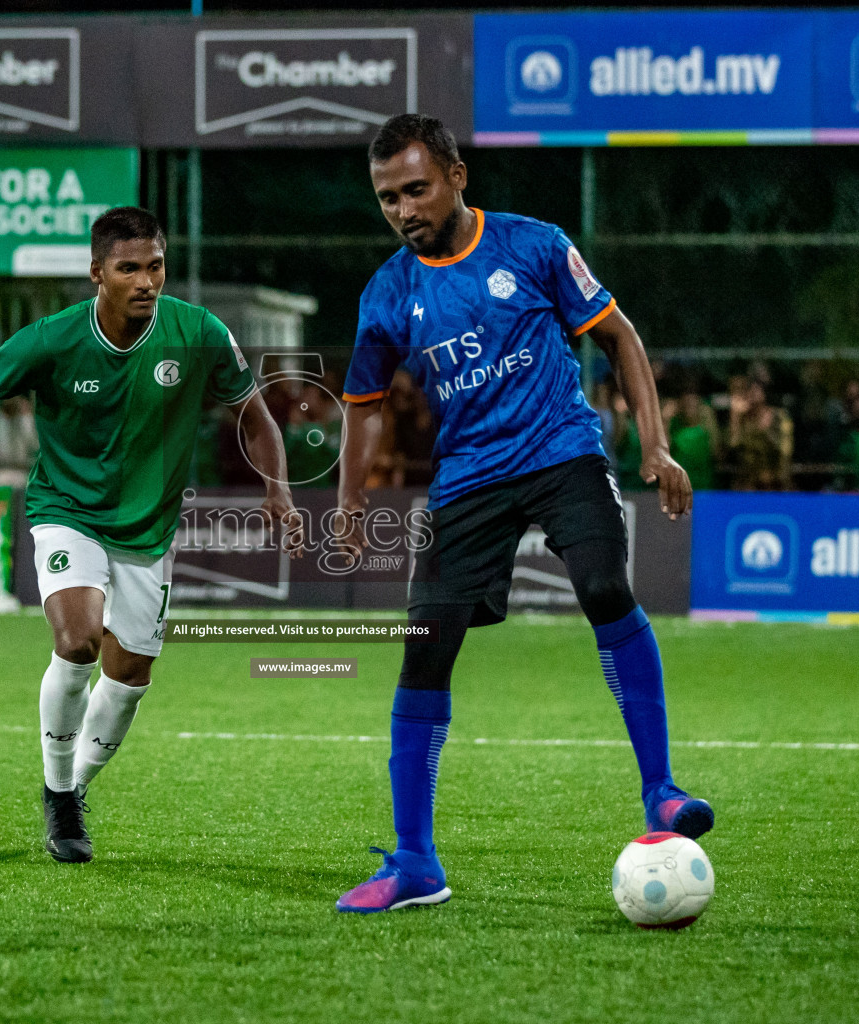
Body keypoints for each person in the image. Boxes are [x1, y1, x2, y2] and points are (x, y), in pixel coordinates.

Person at [332, 114, 709, 914]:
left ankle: (662, 792)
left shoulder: (533, 245)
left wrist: (655, 446)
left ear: (457, 176)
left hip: (561, 454)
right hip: (467, 480)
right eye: (387, 197)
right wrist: (350, 500)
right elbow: (362, 402)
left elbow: (620, 338)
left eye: (416, 188)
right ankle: (415, 861)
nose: (403, 209)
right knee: (423, 648)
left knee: (605, 586)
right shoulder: (387, 292)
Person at [0, 207, 303, 864]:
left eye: (154, 265)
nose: (146, 280)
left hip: (148, 529)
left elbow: (254, 413)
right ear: (97, 274)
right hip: (65, 510)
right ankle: (59, 793)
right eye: (128, 268)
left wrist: (276, 487)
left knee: (129, 674)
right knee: (77, 639)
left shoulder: (199, 332)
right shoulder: (53, 338)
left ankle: (74, 785)